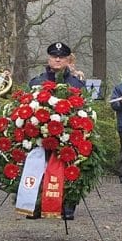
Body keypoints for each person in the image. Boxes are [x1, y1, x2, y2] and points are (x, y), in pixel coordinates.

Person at [28, 41, 85, 219]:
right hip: (41, 135)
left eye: (61, 57)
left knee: (69, 169)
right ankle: (35, 205)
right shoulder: (37, 82)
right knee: (38, 168)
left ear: (68, 60)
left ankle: (67, 207)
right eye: (54, 57)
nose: (58, 60)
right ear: (49, 59)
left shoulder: (76, 83)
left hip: (68, 135)